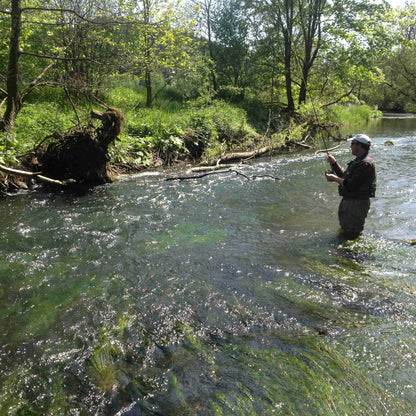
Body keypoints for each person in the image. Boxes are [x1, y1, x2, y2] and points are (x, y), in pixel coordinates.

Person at [325, 134, 377, 237]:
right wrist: (334, 164)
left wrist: (334, 179)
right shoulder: (359, 161)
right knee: (346, 230)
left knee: (352, 233)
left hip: (357, 204)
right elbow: (345, 177)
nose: (350, 146)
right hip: (350, 202)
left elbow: (350, 184)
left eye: (352, 144)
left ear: (360, 146)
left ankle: (351, 252)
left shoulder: (365, 164)